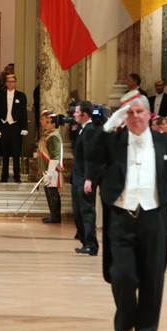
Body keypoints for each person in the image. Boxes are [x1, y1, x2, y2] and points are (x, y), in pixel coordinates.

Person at [88, 93, 167, 331]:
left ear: (149, 115)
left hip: (153, 218)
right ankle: (123, 325)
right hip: (121, 217)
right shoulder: (114, 140)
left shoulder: (165, 143)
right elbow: (90, 154)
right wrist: (108, 125)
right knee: (121, 275)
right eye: (130, 113)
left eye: (139, 112)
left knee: (152, 278)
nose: (135, 117)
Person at [71, 100, 102, 256]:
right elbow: (77, 151)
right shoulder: (83, 129)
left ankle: (91, 244)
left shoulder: (89, 130)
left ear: (84, 114)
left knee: (86, 211)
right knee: (78, 211)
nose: (74, 114)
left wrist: (88, 179)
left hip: (84, 177)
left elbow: (90, 156)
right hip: (78, 176)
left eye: (76, 112)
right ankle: (85, 242)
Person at [0, 74, 28, 183]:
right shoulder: (0, 95)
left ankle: (17, 175)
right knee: (5, 152)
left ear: (15, 83)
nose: (10, 83)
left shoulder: (21, 96)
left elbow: (23, 113)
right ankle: (4, 176)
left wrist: (24, 127)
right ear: (6, 83)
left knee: (16, 152)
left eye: (12, 81)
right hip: (4, 125)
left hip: (16, 126)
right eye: (8, 81)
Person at [38, 111, 64, 225]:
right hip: (47, 168)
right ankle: (53, 214)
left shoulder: (54, 136)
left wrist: (50, 172)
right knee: (49, 192)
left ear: (53, 124)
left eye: (48, 122)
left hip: (53, 169)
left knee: (53, 193)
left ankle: (55, 216)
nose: (46, 124)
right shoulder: (49, 135)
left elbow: (55, 155)